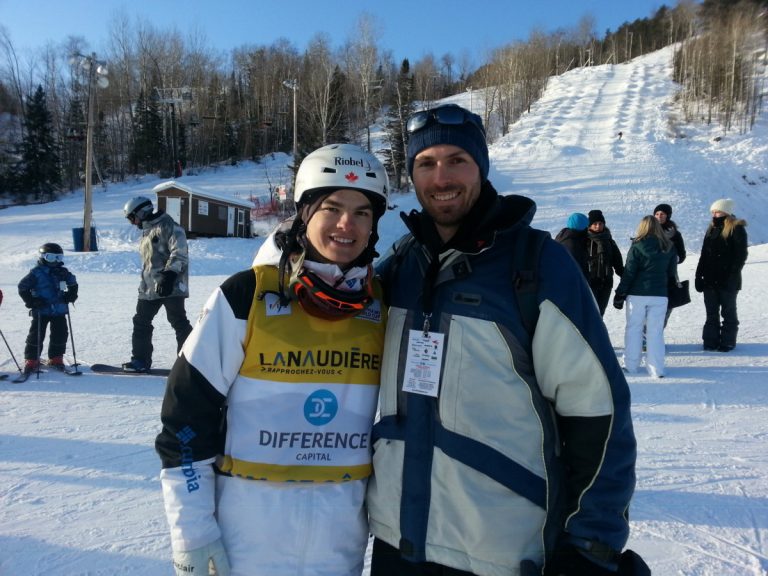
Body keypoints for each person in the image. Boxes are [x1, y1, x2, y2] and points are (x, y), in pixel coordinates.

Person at [367, 103, 641, 576]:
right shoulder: (403, 263)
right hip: (398, 544)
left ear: (482, 166)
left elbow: (598, 410)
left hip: (501, 555)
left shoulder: (538, 266)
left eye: (457, 160)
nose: (441, 177)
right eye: (426, 163)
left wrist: (590, 543)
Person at [155, 143, 389, 576]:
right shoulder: (246, 295)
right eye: (332, 208)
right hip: (247, 534)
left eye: (362, 212)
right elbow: (185, 418)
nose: (347, 224)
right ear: (304, 213)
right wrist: (193, 532)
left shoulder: (382, 305)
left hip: (339, 537)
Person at [122, 196, 193, 373]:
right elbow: (149, 263)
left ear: (141, 212)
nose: (133, 223)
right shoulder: (147, 231)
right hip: (149, 288)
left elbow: (180, 252)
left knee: (179, 322)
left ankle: (189, 363)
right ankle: (140, 360)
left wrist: (169, 275)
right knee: (141, 321)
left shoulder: (169, 226)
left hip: (171, 285)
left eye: (132, 218)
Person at [613, 216, 677, 378]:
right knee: (655, 332)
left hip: (637, 294)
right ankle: (656, 369)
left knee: (633, 329)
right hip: (660, 294)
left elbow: (629, 273)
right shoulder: (669, 246)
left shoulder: (637, 246)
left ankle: (631, 365)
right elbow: (671, 274)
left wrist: (620, 293)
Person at [694, 198, 748, 352]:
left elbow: (740, 256)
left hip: (728, 281)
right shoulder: (711, 229)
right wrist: (698, 275)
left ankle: (727, 341)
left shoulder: (736, 228)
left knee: (728, 312)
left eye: (717, 212)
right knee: (711, 313)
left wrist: (731, 276)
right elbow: (704, 254)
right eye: (713, 212)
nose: (714, 215)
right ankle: (710, 341)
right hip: (710, 279)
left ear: (726, 212)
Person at [17, 243, 78, 373]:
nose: (55, 261)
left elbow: (73, 282)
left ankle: (56, 358)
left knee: (60, 334)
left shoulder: (63, 272)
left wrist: (72, 294)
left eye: (58, 257)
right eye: (51, 257)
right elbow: (22, 287)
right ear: (43, 257)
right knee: (36, 335)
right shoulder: (36, 272)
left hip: (59, 309)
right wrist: (32, 301)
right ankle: (31, 359)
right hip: (41, 310)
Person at [653, 203, 686, 327]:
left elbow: (681, 255)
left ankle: (658, 334)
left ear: (668, 216)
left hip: (669, 275)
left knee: (667, 307)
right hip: (651, 275)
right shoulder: (648, 231)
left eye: (662, 214)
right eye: (657, 214)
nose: (659, 216)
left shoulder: (675, 234)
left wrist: (671, 259)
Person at [586, 209, 624, 316]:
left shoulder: (609, 241)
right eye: (595, 224)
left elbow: (618, 263)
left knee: (600, 313)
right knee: (589, 313)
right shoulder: (584, 241)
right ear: (589, 225)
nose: (598, 226)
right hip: (589, 283)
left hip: (606, 283)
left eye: (600, 223)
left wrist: (626, 277)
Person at [554, 212, 589, 277]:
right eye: (586, 227)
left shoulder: (565, 235)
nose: (588, 229)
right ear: (581, 228)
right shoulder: (572, 245)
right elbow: (577, 270)